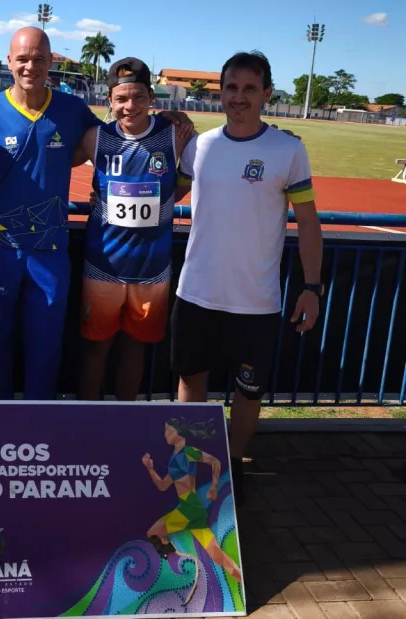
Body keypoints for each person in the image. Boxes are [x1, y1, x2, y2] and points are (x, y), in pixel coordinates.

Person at [0, 27, 193, 401]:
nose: (31, 66)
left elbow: (121, 139)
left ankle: (40, 422)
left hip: (50, 252)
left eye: (39, 59)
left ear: (49, 63)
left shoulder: (72, 110)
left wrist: (169, 119)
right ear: (9, 61)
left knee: (45, 344)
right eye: (23, 59)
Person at [172, 51, 323, 505]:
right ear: (221, 92)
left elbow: (308, 223)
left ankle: (233, 465)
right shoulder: (199, 147)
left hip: (256, 301)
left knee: (248, 391)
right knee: (191, 381)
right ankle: (189, 467)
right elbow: (167, 194)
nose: (238, 97)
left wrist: (312, 287)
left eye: (249, 89)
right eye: (231, 88)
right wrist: (166, 141)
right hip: (196, 292)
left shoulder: (287, 149)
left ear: (266, 94)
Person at [72, 58, 194, 401]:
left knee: (135, 348)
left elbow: (216, 158)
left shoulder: (175, 134)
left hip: (152, 271)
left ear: (151, 97)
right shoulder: (95, 138)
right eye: (121, 98)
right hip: (103, 268)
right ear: (109, 100)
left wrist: (275, 141)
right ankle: (85, 420)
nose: (130, 106)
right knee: (96, 348)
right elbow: (50, 159)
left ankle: (126, 418)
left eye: (138, 97)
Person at [142, 418, 242, 583]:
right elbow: (162, 486)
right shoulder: (174, 459)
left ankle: (181, 569)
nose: (166, 434)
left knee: (154, 533)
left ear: (179, 433)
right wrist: (150, 468)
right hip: (191, 509)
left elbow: (215, 461)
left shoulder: (188, 452)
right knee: (216, 555)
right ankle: (238, 578)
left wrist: (214, 487)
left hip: (189, 508)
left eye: (169, 430)